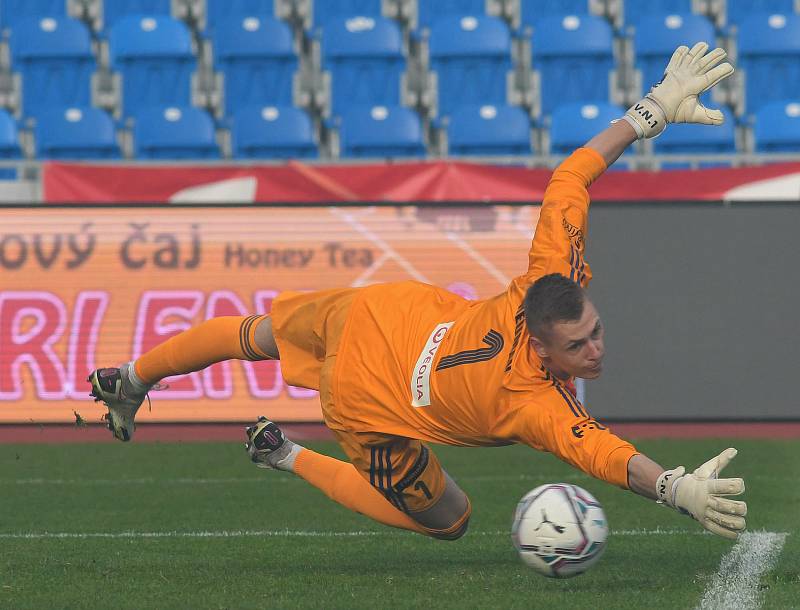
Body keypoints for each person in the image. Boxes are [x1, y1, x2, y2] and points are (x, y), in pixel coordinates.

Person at [89, 43, 747, 541]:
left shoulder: (549, 276)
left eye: (595, 330)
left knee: (253, 334)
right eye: (579, 345)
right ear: (543, 349)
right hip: (366, 395)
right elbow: (603, 454)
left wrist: (651, 110)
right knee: (450, 521)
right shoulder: (531, 403)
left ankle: (130, 376)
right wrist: (671, 487)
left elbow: (568, 179)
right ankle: (285, 454)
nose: (596, 350)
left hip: (383, 312)